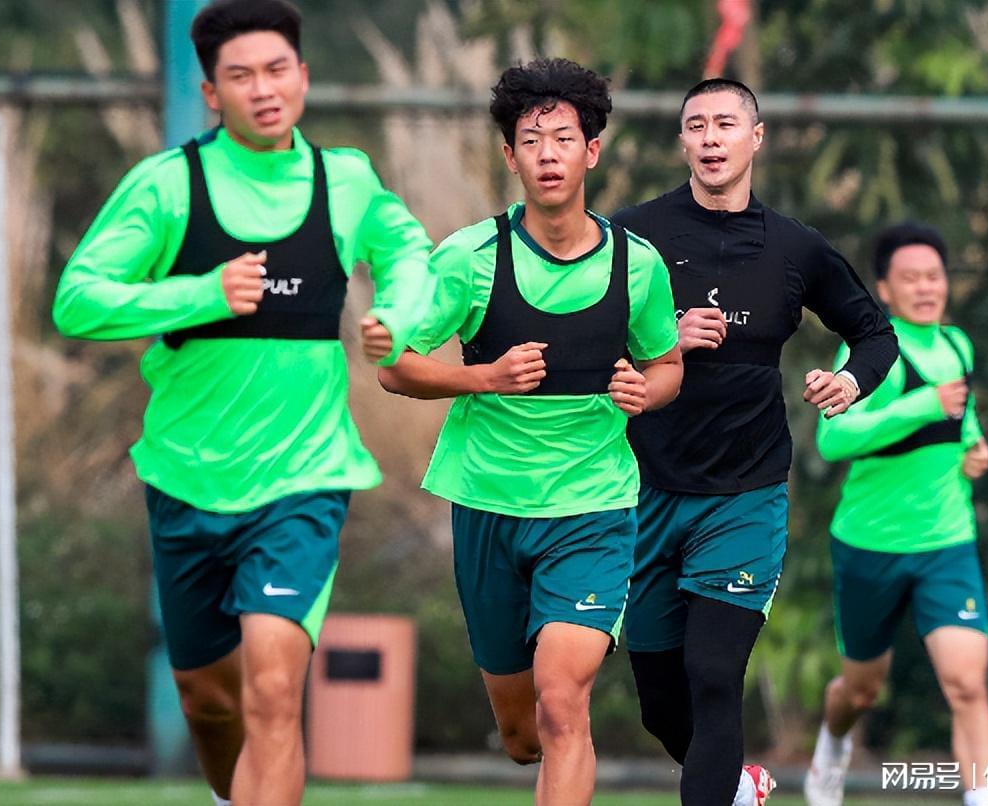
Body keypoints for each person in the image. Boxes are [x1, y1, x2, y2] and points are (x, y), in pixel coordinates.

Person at [51, 2, 434, 803]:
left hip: (303, 478)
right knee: (210, 700)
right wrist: (201, 294)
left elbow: (408, 254)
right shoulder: (168, 185)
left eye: (276, 70)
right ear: (210, 93)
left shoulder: (345, 180)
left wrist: (397, 317)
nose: (263, 89)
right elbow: (78, 300)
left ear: (303, 76)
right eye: (241, 75)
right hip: (186, 477)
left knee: (272, 690)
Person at [377, 58, 682, 805]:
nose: (549, 154)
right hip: (489, 504)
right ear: (510, 156)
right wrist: (484, 376)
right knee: (522, 734)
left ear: (592, 151)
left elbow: (668, 364)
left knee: (562, 702)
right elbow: (395, 365)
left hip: (592, 508)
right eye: (531, 140)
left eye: (564, 138)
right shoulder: (470, 258)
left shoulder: (637, 266)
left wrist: (647, 390)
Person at [611, 78, 898, 806]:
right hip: (644, 487)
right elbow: (581, 335)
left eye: (726, 124)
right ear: (682, 141)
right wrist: (663, 339)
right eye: (696, 125)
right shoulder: (632, 236)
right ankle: (737, 785)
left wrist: (851, 381)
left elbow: (874, 334)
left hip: (747, 491)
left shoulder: (796, 247)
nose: (711, 138)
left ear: (756, 137)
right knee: (660, 703)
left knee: (713, 675)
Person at [804, 222, 988, 806]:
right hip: (870, 542)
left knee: (967, 686)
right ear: (885, 290)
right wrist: (921, 404)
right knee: (860, 691)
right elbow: (833, 440)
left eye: (934, 276)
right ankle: (833, 745)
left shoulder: (958, 346)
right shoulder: (870, 353)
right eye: (910, 279)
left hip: (947, 540)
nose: (925, 288)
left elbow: (962, 420)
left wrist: (975, 448)